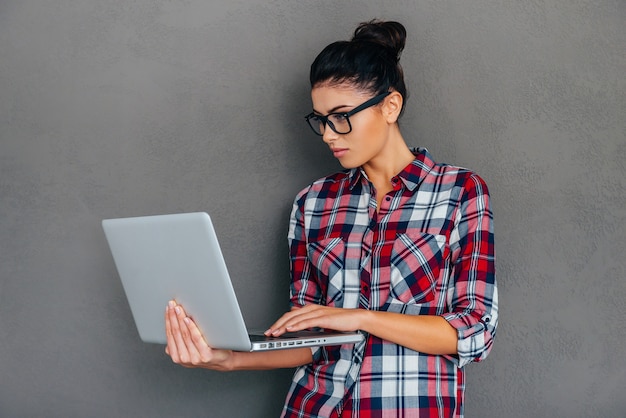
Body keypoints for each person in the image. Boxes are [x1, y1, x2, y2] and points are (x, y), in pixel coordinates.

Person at [165, 19, 498, 418]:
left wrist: (359, 317)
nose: (328, 134)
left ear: (390, 106)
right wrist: (226, 359)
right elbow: (309, 338)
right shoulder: (313, 203)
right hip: (312, 407)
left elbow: (474, 331)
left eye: (341, 116)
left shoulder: (459, 192)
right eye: (321, 120)